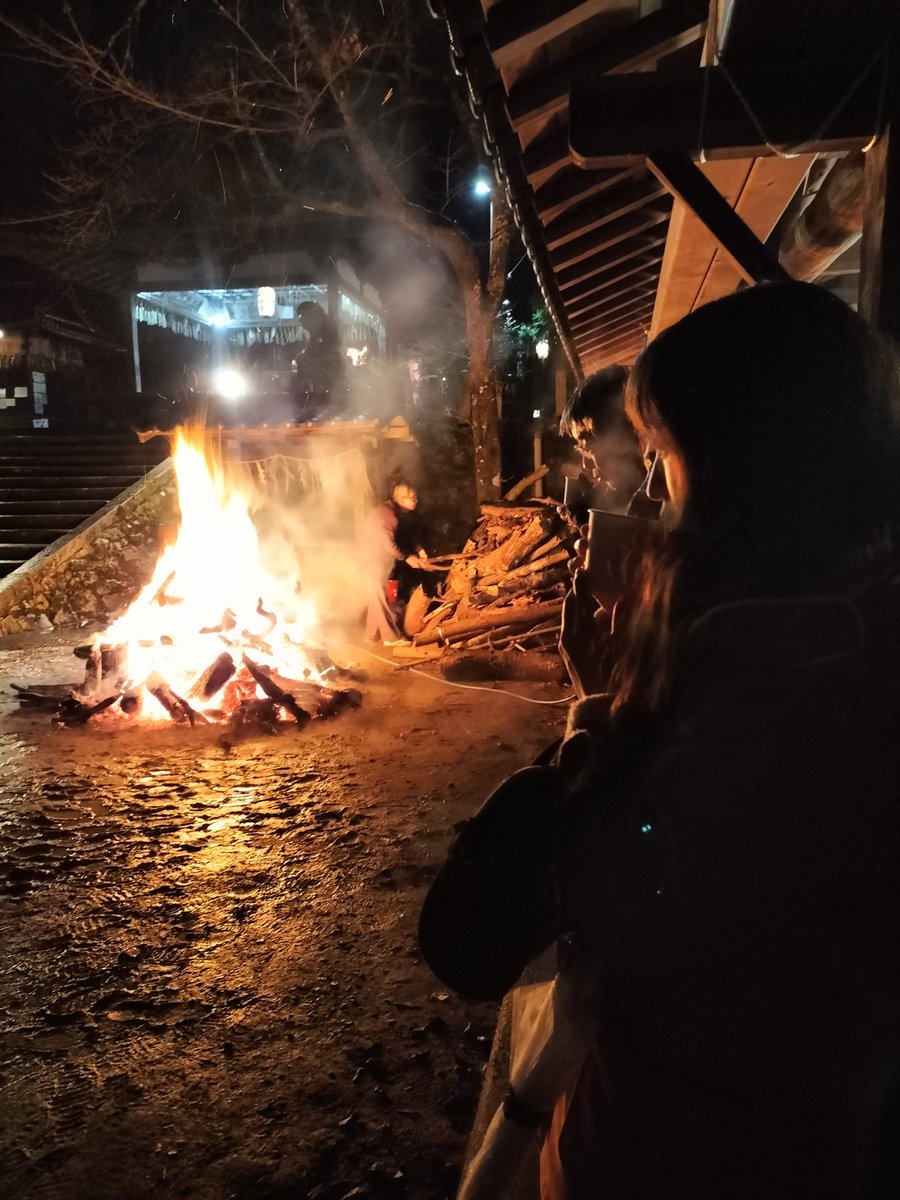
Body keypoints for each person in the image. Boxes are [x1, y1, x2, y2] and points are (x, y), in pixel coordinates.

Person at [420, 281, 900, 1199]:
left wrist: (599, 715)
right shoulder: (844, 621)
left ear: (746, 469)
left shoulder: (791, 669)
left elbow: (630, 891)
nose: (649, 489)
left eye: (664, 456)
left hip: (701, 1139)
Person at [559, 365, 655, 519]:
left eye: (592, 450)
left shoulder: (666, 505)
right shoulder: (635, 496)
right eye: (583, 452)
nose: (586, 465)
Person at [359, 482, 426, 645]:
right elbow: (390, 545)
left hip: (385, 564)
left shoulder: (396, 512)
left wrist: (420, 551)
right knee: (384, 598)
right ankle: (391, 638)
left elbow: (405, 535)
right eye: (413, 498)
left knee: (383, 597)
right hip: (374, 563)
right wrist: (408, 557)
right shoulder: (387, 516)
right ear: (403, 499)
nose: (416, 501)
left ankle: (370, 635)